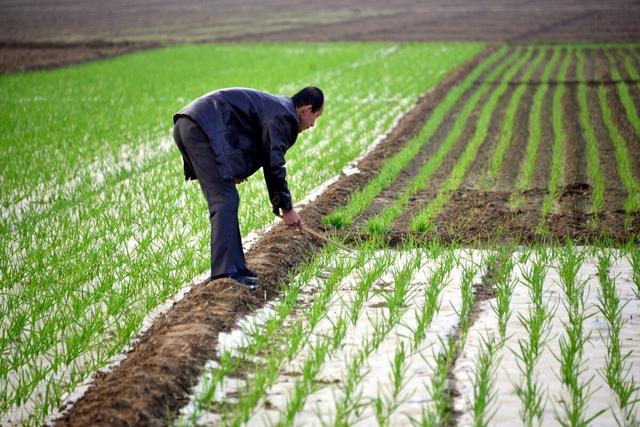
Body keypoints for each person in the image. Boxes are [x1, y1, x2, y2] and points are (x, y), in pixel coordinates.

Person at [172, 86, 324, 290]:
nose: (313, 125)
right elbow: (274, 164)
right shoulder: (284, 117)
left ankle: (236, 268)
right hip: (199, 127)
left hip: (192, 124)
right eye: (316, 116)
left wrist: (234, 169)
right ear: (306, 110)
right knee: (225, 199)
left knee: (226, 197)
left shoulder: (278, 109)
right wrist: (287, 208)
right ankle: (225, 272)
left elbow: (250, 141)